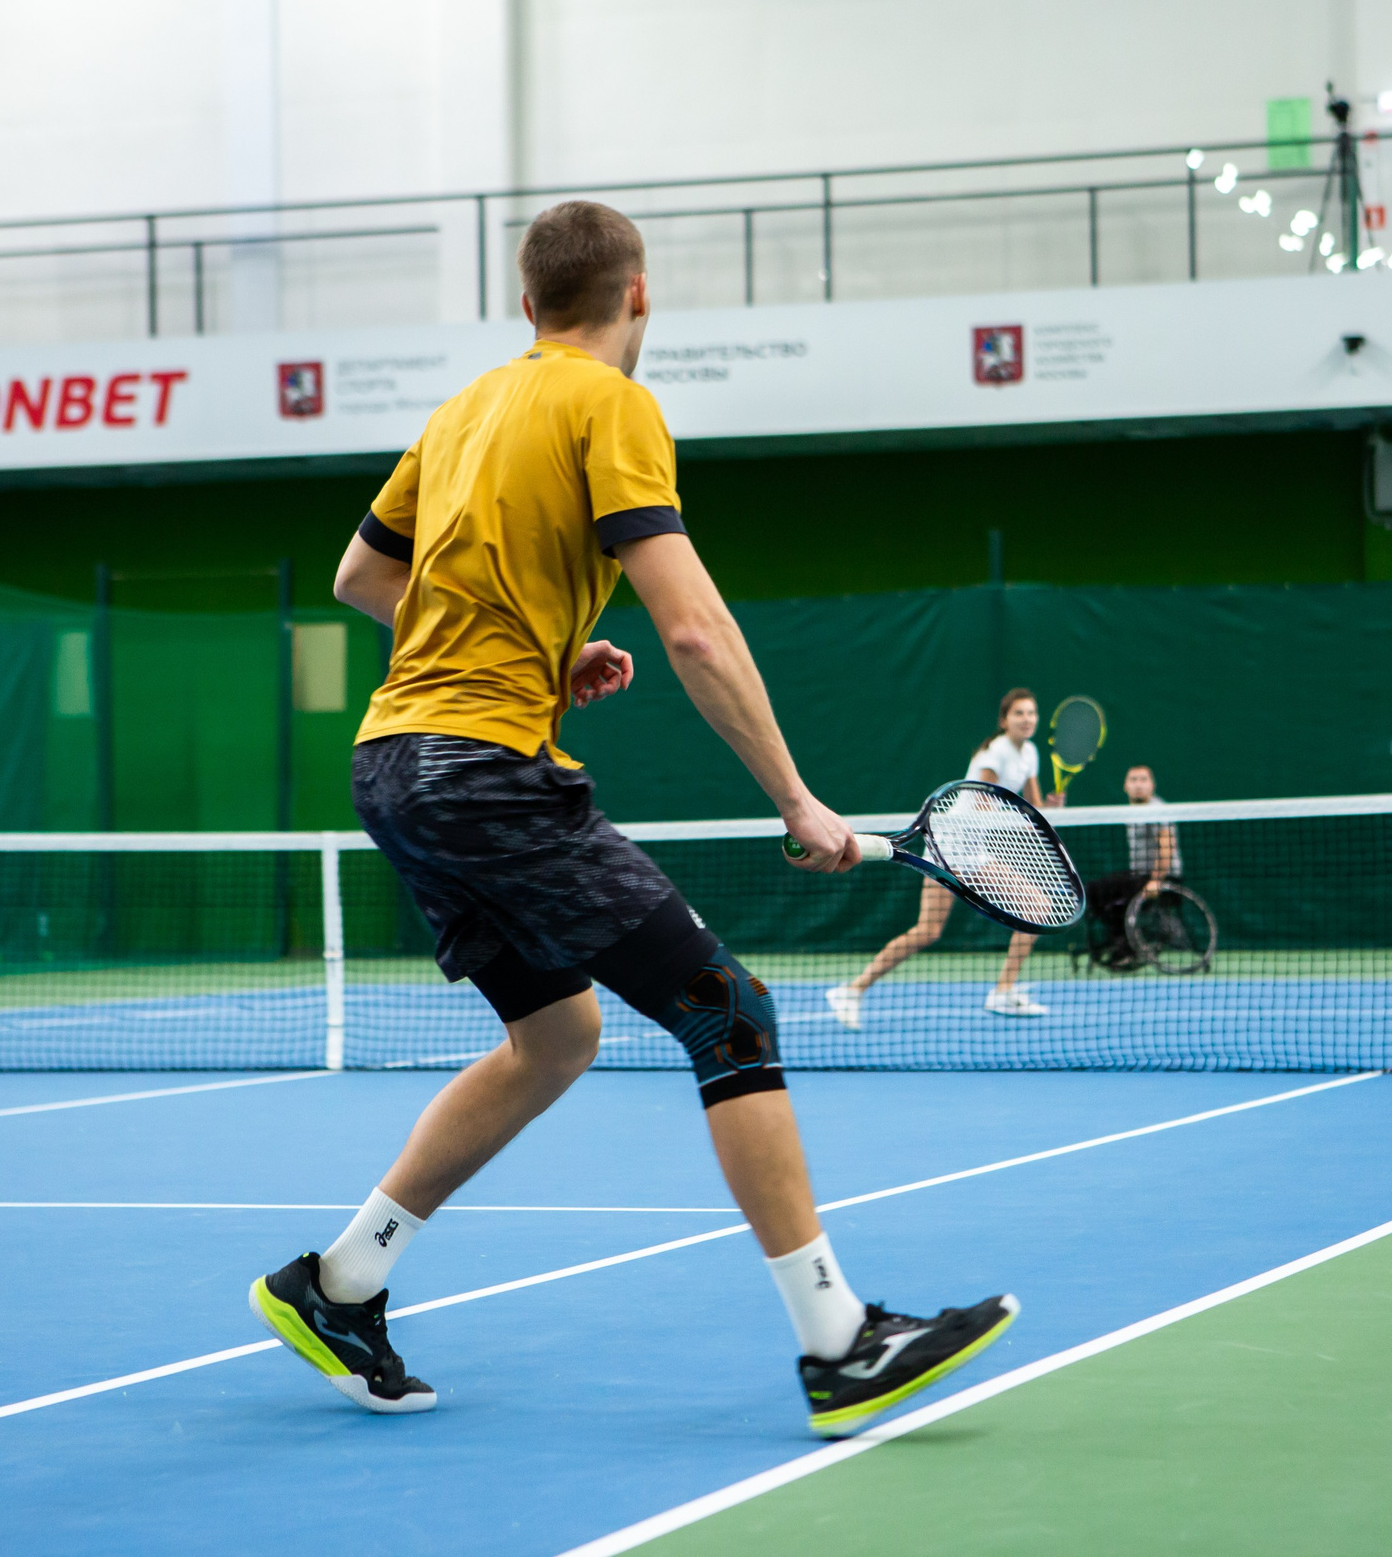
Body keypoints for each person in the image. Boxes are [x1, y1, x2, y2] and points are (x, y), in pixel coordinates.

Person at [245, 201, 1015, 1439]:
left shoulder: (462, 413)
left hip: (391, 760)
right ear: (638, 295)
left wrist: (538, 662)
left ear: (527, 301)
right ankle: (839, 1341)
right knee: (727, 1008)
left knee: (555, 1038)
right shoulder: (611, 407)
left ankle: (340, 1283)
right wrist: (796, 801)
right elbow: (697, 629)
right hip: (481, 769)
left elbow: (361, 580)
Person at [826, 687, 1057, 1029]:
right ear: (1004, 720)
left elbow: (1032, 807)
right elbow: (983, 807)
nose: (1027, 719)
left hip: (976, 848)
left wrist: (1053, 812)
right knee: (934, 929)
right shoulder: (994, 754)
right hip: (952, 845)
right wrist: (1024, 824)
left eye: (1032, 713)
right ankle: (852, 990)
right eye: (1019, 713)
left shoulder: (1031, 754)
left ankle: (1002, 990)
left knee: (1025, 909)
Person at [1085, 764, 1176, 967]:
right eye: (1133, 780)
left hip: (1160, 878)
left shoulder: (1157, 810)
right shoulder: (1131, 811)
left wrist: (1156, 880)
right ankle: (1121, 944)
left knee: (1110, 894)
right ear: (1125, 786)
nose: (1138, 785)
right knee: (1096, 891)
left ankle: (1126, 948)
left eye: (1143, 780)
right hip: (1139, 876)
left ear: (1152, 785)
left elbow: (1167, 846)